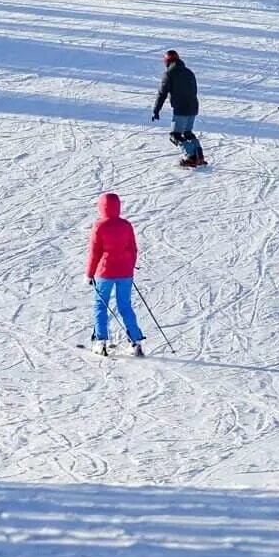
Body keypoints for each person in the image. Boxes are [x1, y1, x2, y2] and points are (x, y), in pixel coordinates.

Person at [84, 191, 146, 355]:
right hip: (125, 272)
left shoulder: (100, 225)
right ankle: (135, 342)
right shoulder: (126, 225)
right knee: (125, 306)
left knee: (100, 305)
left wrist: (89, 274)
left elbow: (95, 252)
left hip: (104, 273)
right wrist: (129, 267)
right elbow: (133, 249)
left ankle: (100, 341)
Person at [151, 49, 206, 167]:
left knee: (175, 135)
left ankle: (191, 157)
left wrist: (156, 110)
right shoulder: (189, 72)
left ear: (167, 61)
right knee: (187, 133)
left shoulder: (169, 74)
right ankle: (199, 155)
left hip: (181, 108)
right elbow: (194, 90)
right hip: (193, 107)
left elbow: (162, 93)